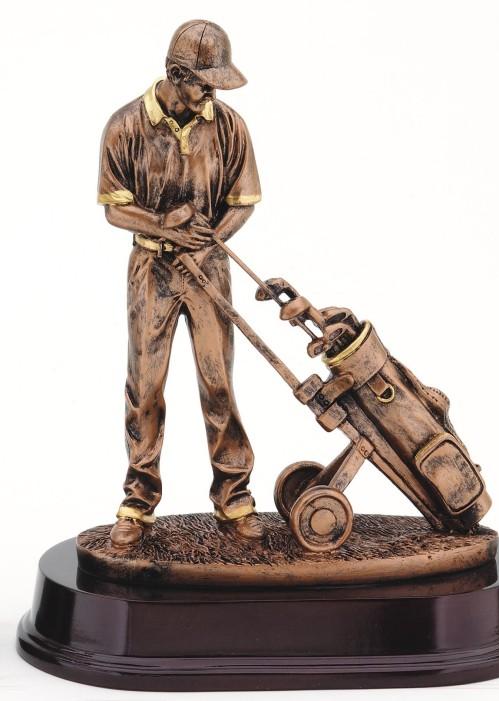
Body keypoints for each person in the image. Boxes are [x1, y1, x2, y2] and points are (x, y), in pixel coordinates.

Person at [98, 20, 264, 546]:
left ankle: (234, 496)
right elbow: (115, 211)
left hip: (208, 269)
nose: (212, 94)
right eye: (205, 84)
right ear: (176, 74)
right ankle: (138, 501)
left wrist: (210, 239)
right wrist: (163, 227)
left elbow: (242, 203)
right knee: (145, 385)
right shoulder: (125, 126)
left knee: (218, 383)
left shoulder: (230, 126)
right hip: (152, 272)